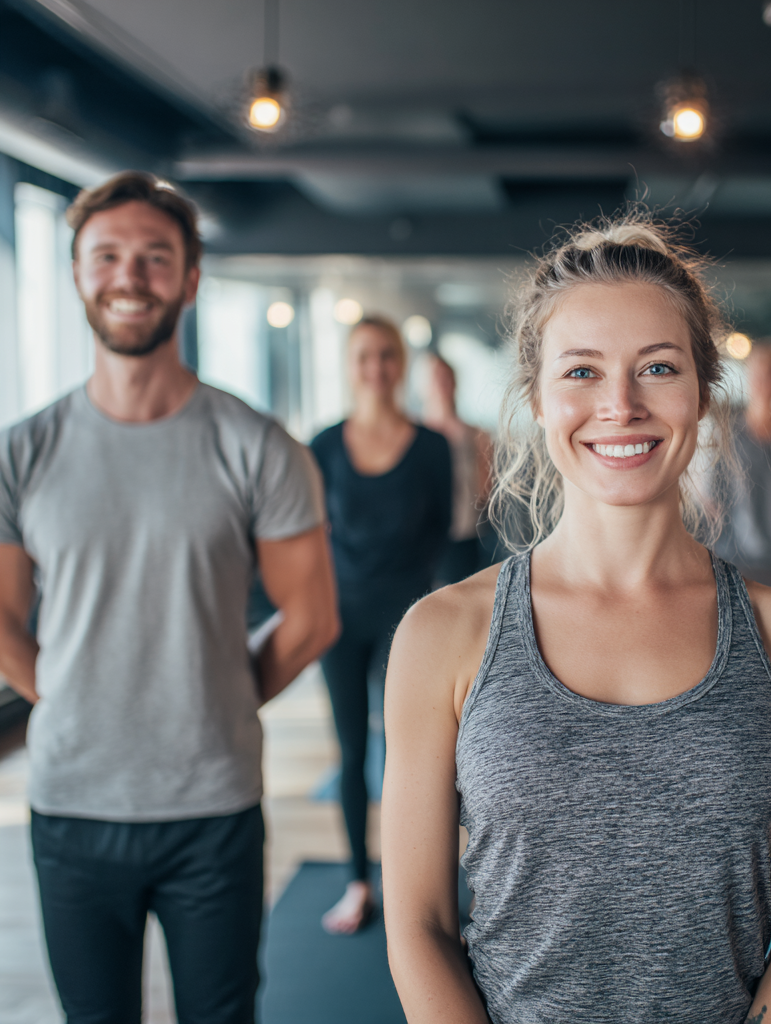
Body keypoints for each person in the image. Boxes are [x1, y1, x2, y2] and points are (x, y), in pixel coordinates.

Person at [381, 215, 771, 1024]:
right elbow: (420, 927)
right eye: (581, 372)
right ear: (536, 397)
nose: (621, 405)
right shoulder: (442, 635)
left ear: (704, 393)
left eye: (658, 367)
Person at [0, 172, 339, 1024]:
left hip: (212, 808)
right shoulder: (23, 451)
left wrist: (213, 698)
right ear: (77, 272)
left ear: (190, 281)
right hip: (72, 805)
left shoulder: (255, 444)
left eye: (156, 258)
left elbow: (311, 617)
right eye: (107, 256)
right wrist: (72, 699)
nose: (130, 276)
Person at [310, 317, 451, 934]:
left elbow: (442, 537)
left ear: (400, 364)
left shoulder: (430, 447)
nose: (376, 367)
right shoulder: (322, 445)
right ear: (350, 363)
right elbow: (310, 539)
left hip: (409, 620)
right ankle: (357, 881)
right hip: (341, 616)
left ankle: (412, 885)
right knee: (350, 749)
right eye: (365, 356)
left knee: (409, 756)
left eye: (387, 355)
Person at [713, 341, 771, 589]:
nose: (764, 381)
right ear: (748, 376)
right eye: (758, 373)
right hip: (736, 563)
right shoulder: (727, 434)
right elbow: (713, 500)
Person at [421, 354, 493, 584]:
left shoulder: (476, 434)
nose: (441, 384)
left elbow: (485, 490)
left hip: (463, 535)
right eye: (435, 378)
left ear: (455, 383)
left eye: (445, 378)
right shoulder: (412, 436)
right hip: (421, 536)